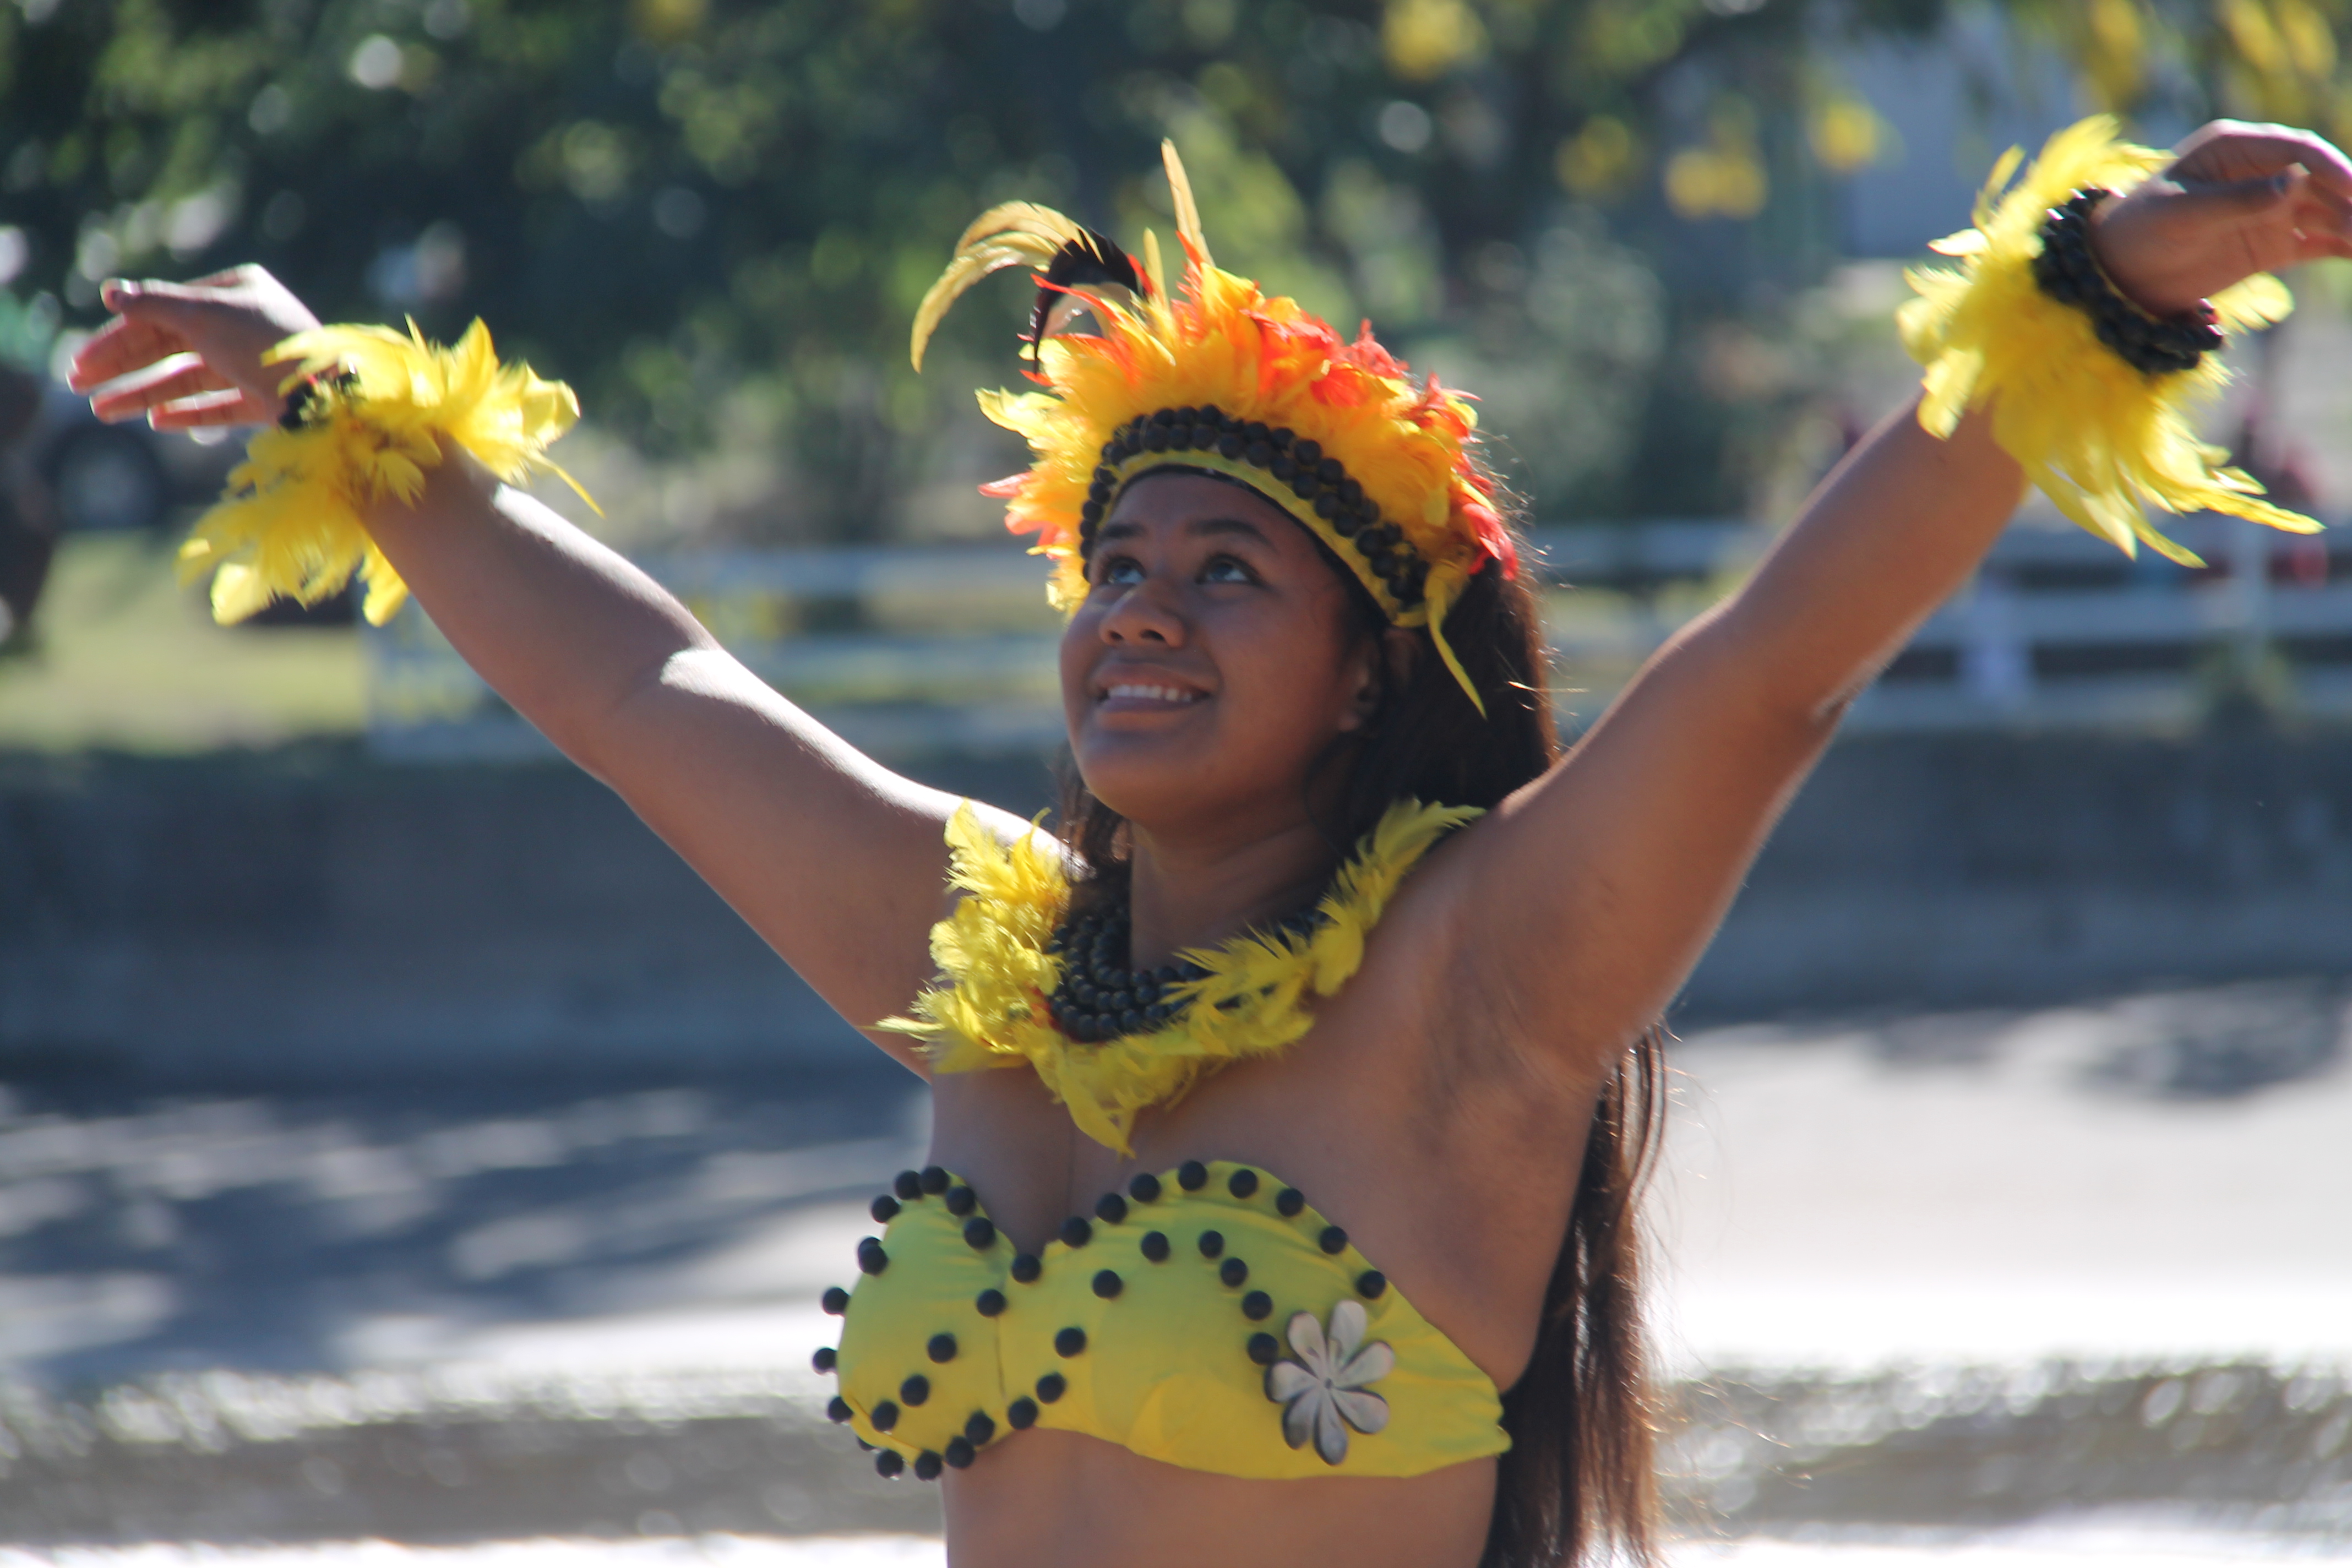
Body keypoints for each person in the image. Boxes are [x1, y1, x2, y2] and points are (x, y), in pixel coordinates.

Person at [67, 117, 2351, 1568]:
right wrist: (337, 406)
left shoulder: (1481, 982)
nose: (1142, 605)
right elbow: (641, 691)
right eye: (1117, 564)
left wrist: (2100, 290)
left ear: (1362, 676)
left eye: (1225, 574)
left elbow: (1772, 665)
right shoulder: (984, 950)